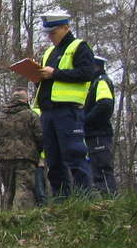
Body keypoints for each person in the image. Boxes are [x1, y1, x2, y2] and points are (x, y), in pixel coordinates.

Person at [34, 11, 94, 199]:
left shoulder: (79, 47)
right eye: (48, 33)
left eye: (53, 32)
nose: (50, 36)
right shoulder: (49, 52)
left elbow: (86, 74)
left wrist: (55, 73)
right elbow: (47, 80)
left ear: (65, 28)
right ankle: (62, 200)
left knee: (75, 155)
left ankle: (84, 198)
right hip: (48, 112)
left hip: (68, 111)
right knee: (53, 159)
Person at [0, 86, 43, 210]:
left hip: (4, 159)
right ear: (25, 100)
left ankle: (6, 220)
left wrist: (2, 150)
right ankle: (19, 220)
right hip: (26, 159)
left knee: (8, 190)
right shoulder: (31, 115)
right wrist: (36, 151)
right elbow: (40, 137)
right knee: (23, 189)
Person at [85, 56, 117, 195]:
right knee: (95, 169)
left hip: (99, 133)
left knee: (102, 168)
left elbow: (105, 104)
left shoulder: (101, 81)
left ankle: (109, 200)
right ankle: (104, 199)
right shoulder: (93, 83)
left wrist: (85, 120)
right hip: (94, 133)